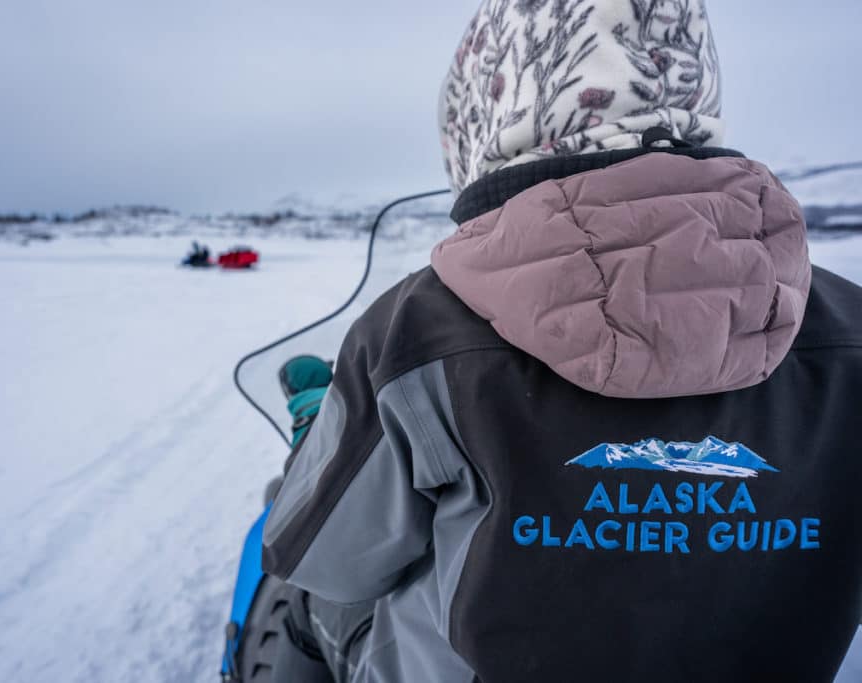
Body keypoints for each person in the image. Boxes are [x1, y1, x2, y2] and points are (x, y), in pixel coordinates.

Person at [263, 1, 862, 681]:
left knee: (307, 608)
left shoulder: (419, 328)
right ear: (691, 82)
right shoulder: (850, 331)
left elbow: (322, 557)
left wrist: (317, 434)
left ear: (489, 102)